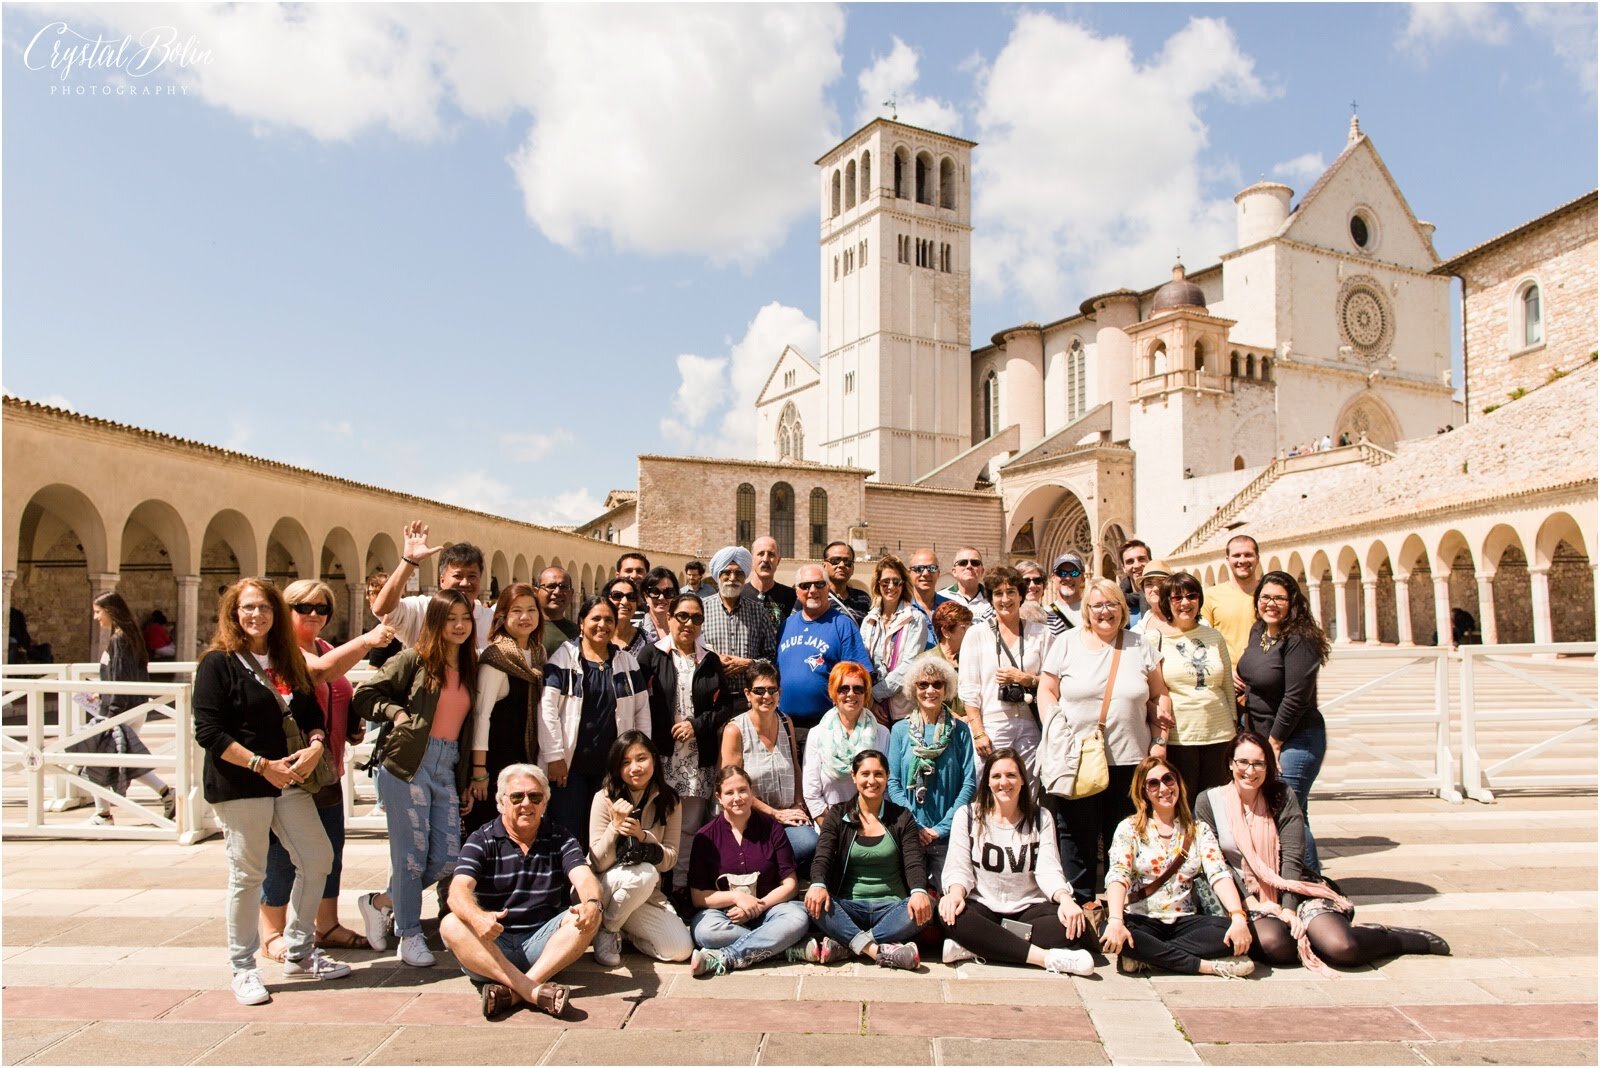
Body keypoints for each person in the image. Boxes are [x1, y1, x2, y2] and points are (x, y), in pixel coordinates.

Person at [192, 578, 350, 1006]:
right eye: (247, 608)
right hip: (243, 782)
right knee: (248, 875)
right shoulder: (218, 663)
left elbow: (310, 713)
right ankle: (243, 967)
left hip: (290, 779)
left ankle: (299, 950)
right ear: (233, 613)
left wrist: (316, 745)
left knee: (317, 858)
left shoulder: (284, 659)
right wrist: (261, 764)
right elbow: (209, 731)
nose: (256, 615)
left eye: (263, 607)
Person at [1195, 732, 1449, 970]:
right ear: (1230, 763)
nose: (1250, 771)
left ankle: (1392, 938)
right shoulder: (1210, 801)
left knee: (1342, 948)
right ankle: (1311, 938)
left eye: (1259, 764)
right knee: (1276, 946)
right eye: (1243, 762)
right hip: (1243, 897)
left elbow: (1292, 857)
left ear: (1268, 766)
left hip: (1295, 888)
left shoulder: (1281, 795)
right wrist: (1251, 902)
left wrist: (1288, 909)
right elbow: (1217, 863)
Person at [258, 580, 395, 961]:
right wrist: (367, 640)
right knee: (283, 855)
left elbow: (339, 686)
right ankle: (271, 933)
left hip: (328, 768)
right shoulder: (280, 653)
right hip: (289, 771)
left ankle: (327, 924)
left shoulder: (326, 648)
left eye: (323, 609)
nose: (314, 615)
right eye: (304, 607)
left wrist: (352, 726)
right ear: (286, 610)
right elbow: (317, 674)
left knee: (331, 851)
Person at [352, 588, 478, 967]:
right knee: (409, 857)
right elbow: (365, 694)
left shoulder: (470, 667)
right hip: (408, 765)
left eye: (465, 618)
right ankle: (408, 936)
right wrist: (395, 713)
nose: (459, 626)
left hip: (447, 766)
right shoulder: (414, 659)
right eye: (451, 618)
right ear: (436, 622)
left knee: (446, 859)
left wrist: (467, 777)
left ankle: (379, 902)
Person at [1037, 580, 1173, 905]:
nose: (1105, 611)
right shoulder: (1066, 643)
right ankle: (1081, 907)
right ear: (1087, 610)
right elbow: (1046, 690)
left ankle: (1122, 909)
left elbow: (1160, 694)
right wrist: (1054, 727)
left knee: (1124, 836)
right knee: (1076, 836)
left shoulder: (1140, 646)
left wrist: (1160, 742)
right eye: (1097, 605)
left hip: (1131, 760)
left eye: (1112, 604)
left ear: (1123, 609)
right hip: (1079, 758)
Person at [442, 763, 601, 1019]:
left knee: (589, 913)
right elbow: (458, 891)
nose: (526, 803)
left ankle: (516, 992)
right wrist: (476, 917)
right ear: (501, 803)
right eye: (517, 797)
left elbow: (584, 878)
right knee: (450, 923)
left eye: (535, 797)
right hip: (492, 946)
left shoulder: (560, 838)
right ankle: (535, 990)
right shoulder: (481, 839)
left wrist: (592, 902)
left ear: (544, 804)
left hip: (542, 946)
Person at [938, 748, 1096, 973]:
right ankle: (1045, 959)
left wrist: (1065, 899)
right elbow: (958, 866)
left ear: (1022, 779)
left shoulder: (1040, 818)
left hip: (1028, 909)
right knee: (950, 915)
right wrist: (955, 893)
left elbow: (1049, 869)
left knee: (1070, 926)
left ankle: (978, 946)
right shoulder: (968, 815)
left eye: (1011, 775)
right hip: (983, 905)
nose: (1004, 782)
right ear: (988, 782)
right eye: (996, 776)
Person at [1100, 756, 1254, 977]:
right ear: (1143, 791)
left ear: (1177, 782)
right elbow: (1118, 874)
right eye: (1153, 784)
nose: (1163, 788)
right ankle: (1205, 966)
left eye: (1168, 779)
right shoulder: (1129, 828)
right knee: (1111, 932)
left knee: (1228, 931)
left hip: (1185, 920)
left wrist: (1238, 916)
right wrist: (1115, 920)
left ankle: (1148, 957)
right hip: (1142, 919)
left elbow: (1218, 873)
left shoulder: (1197, 829)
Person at [637, 593, 734, 890]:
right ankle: (653, 888)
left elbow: (724, 707)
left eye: (696, 618)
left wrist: (695, 725)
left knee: (689, 827)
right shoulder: (651, 656)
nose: (688, 623)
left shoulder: (710, 660)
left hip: (695, 758)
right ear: (670, 617)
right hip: (660, 756)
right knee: (654, 823)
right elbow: (641, 703)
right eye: (682, 616)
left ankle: (679, 887)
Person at [1235, 571, 1330, 873]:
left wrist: (1273, 744)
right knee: (1293, 812)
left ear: (1293, 603)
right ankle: (1295, 882)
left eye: (1279, 598)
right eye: (1265, 597)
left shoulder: (1300, 639)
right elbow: (1257, 673)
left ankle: (1313, 888)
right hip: (1264, 738)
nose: (1270, 603)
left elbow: (1296, 697)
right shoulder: (1259, 631)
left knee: (1288, 814)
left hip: (1295, 739)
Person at [804, 749, 931, 970]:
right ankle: (878, 951)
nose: (872, 781)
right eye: (865, 774)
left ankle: (849, 944)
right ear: (854, 777)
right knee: (814, 904)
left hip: (892, 909)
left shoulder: (902, 817)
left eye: (878, 774)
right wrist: (818, 884)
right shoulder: (837, 814)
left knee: (929, 905)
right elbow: (822, 855)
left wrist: (919, 891)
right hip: (848, 907)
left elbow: (914, 861)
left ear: (887, 776)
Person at [538, 595, 651, 839]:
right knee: (568, 831)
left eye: (609, 620)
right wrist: (555, 757)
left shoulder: (626, 662)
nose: (603, 625)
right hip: (570, 766)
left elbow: (642, 711)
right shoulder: (563, 658)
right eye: (595, 618)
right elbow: (547, 711)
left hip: (611, 768)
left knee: (605, 834)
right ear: (581, 622)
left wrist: (640, 756)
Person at [686, 765, 812, 976]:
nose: (738, 798)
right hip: (728, 915)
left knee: (797, 918)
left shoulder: (772, 829)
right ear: (719, 797)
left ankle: (727, 956)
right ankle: (781, 946)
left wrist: (758, 906)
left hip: (770, 910)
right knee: (705, 931)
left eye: (743, 790)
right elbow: (698, 897)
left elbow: (790, 885)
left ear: (751, 792)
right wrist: (736, 898)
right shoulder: (705, 837)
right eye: (729, 793)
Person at [586, 732, 694, 966]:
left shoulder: (670, 801)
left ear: (654, 760)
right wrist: (615, 827)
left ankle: (621, 929)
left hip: (643, 894)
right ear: (617, 768)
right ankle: (607, 930)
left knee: (681, 949)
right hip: (605, 888)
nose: (635, 768)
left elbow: (670, 859)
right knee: (646, 873)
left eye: (641, 759)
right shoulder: (603, 798)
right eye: (625, 762)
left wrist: (643, 837)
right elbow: (596, 863)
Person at [82, 591, 173, 826]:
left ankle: (103, 814)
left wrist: (110, 715)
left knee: (94, 758)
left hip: (121, 710)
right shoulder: (127, 637)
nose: (96, 617)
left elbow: (121, 679)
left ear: (110, 612)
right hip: (131, 708)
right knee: (126, 759)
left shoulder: (119, 639)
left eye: (98, 612)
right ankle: (167, 794)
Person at [463, 583, 545, 838]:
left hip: (524, 759)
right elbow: (481, 716)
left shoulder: (537, 653)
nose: (525, 617)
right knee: (492, 834)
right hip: (495, 763)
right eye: (516, 610)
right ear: (502, 616)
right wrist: (479, 771)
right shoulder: (496, 658)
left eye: (531, 610)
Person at [886, 657, 975, 888]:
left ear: (946, 689)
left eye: (937, 684)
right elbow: (893, 783)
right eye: (923, 685)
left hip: (949, 836)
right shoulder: (900, 730)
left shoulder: (960, 731)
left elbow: (969, 783)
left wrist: (941, 829)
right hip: (910, 834)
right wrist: (914, 824)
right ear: (913, 689)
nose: (930, 690)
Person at [719, 660, 817, 870]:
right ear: (747, 694)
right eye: (759, 690)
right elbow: (731, 788)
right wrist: (775, 814)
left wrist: (798, 804)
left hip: (786, 816)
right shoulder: (735, 730)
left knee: (810, 843)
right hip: (749, 821)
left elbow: (795, 767)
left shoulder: (785, 722)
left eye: (772, 690)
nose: (766, 696)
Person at [1154, 573, 1236, 798]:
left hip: (1220, 734)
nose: (1185, 603)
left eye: (1191, 596)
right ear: (1166, 603)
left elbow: (1227, 683)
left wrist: (1234, 721)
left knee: (1216, 802)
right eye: (1176, 598)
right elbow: (1154, 691)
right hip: (1181, 736)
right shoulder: (1155, 639)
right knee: (1184, 802)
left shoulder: (1214, 636)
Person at [958, 566, 1049, 768]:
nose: (1005, 599)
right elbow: (969, 689)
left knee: (1028, 789)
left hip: (1031, 725)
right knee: (991, 787)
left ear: (1021, 596)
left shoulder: (1042, 633)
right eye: (998, 593)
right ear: (991, 598)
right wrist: (979, 732)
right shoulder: (977, 634)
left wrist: (1027, 680)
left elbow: (1055, 683)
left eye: (1011, 592)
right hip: (992, 727)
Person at [369, 521, 494, 651]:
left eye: (472, 576)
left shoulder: (490, 620)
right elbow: (382, 610)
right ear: (442, 580)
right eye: (458, 576)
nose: (465, 583)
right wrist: (409, 561)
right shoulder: (421, 609)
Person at [775, 564, 872, 730]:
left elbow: (860, 674)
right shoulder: (786, 625)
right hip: (785, 724)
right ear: (797, 592)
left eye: (819, 584)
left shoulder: (842, 625)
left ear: (828, 589)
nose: (812, 590)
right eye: (805, 586)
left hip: (827, 726)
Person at [803, 662, 891, 819]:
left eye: (858, 689)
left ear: (866, 694)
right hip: (830, 821)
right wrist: (832, 830)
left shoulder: (882, 733)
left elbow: (887, 790)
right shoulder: (817, 734)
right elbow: (811, 793)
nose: (851, 694)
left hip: (873, 819)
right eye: (843, 688)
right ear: (834, 693)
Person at [699, 546, 776, 697]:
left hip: (749, 699)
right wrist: (713, 660)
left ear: (745, 576)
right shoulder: (701, 609)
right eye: (727, 572)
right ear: (718, 576)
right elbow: (689, 651)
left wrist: (750, 664)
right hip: (711, 698)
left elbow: (772, 656)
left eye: (739, 573)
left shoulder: (759, 612)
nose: (733, 578)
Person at [859, 554, 928, 724]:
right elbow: (862, 662)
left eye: (896, 582)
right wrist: (869, 701)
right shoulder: (869, 620)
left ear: (903, 585)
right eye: (885, 582)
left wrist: (875, 694)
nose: (891, 586)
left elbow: (909, 665)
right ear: (878, 585)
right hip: (870, 709)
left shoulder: (915, 619)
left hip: (903, 711)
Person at [1202, 535, 1262, 665]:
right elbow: (1203, 639)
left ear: (1257, 558)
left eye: (1248, 555)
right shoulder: (1211, 596)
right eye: (1236, 555)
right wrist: (1226, 670)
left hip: (1264, 674)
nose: (1242, 560)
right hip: (1227, 678)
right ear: (1227, 559)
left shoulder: (1268, 594)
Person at [741, 535, 797, 633]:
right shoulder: (739, 595)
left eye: (771, 554)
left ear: (778, 561)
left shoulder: (791, 596)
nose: (765, 559)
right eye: (761, 554)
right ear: (752, 560)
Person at [905, 548, 949, 650]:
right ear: (909, 573)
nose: (925, 573)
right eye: (919, 569)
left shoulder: (950, 606)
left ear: (938, 573)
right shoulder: (901, 608)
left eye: (932, 568)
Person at [821, 541, 872, 625]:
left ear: (852, 568)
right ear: (824, 566)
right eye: (835, 560)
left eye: (847, 561)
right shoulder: (814, 596)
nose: (841, 565)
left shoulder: (863, 598)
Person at [940, 547, 994, 624]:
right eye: (963, 563)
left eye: (975, 563)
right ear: (954, 571)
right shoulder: (940, 597)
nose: (969, 566)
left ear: (982, 571)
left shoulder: (993, 599)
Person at [534, 566, 581, 655]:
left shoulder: (578, 633)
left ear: (571, 593)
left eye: (564, 587)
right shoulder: (528, 629)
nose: (557, 592)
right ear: (536, 592)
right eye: (551, 586)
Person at [603, 576, 649, 659]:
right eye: (617, 596)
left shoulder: (648, 642)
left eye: (631, 596)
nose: (625, 601)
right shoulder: (594, 639)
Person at [925, 601, 973, 677]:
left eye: (970, 626)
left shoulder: (973, 657)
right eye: (963, 628)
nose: (970, 631)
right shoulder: (926, 661)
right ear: (946, 632)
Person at [1044, 552, 1086, 636]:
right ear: (1053, 578)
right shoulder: (1045, 613)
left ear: (1082, 578)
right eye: (1061, 573)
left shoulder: (1091, 611)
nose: (1068, 578)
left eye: (1074, 573)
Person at [639, 566, 681, 644]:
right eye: (655, 592)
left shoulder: (684, 628)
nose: (661, 597)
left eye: (668, 592)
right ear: (645, 596)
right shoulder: (637, 632)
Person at [1118, 540, 1152, 629]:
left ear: (1150, 561)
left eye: (1141, 559)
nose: (1136, 565)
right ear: (1124, 568)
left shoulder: (1164, 598)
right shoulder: (1117, 601)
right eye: (1130, 561)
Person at [614, 552, 651, 629]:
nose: (634, 575)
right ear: (617, 576)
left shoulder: (654, 609)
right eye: (628, 570)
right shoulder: (608, 608)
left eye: (639, 571)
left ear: (647, 576)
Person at [1138, 560, 1174, 637]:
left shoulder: (1187, 620)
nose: (1155, 588)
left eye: (1161, 583)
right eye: (1149, 584)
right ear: (1144, 591)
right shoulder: (1137, 632)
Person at [1015, 559, 1049, 626]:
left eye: (1037, 580)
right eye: (1026, 581)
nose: (1032, 585)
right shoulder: (1004, 616)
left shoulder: (1054, 619)